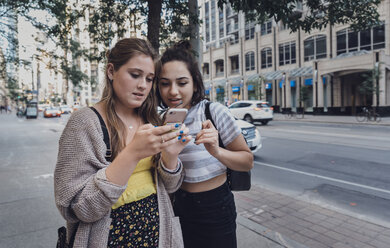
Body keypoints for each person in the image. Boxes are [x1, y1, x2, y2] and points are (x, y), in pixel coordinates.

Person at [54, 38, 191, 248]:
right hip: (109, 239)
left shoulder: (152, 119)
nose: (142, 86)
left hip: (158, 235)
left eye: (149, 78)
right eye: (135, 75)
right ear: (111, 71)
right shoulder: (84, 122)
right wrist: (132, 154)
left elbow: (170, 187)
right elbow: (75, 208)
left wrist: (170, 156)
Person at [156, 41, 254, 248]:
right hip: (177, 206)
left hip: (215, 206)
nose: (173, 91)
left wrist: (216, 151)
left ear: (194, 83)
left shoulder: (213, 112)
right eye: (165, 83)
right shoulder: (159, 120)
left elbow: (247, 162)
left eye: (182, 83)